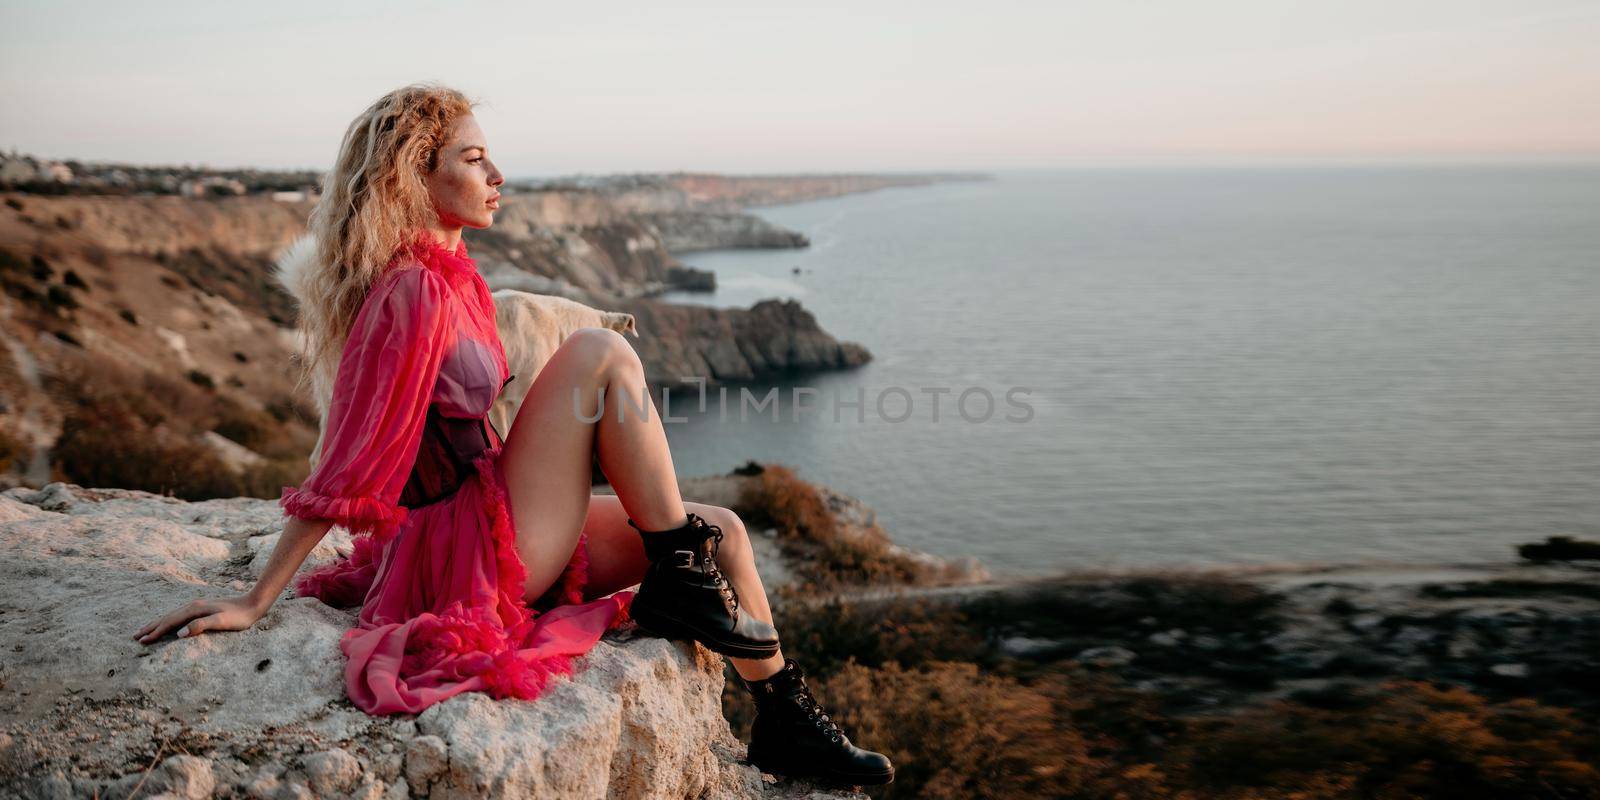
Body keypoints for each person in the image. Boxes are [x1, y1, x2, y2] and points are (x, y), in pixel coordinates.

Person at [130, 83, 893, 787]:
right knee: (602, 354)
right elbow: (346, 460)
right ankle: (679, 577)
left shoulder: (452, 276)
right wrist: (256, 598)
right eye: (473, 158)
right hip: (467, 550)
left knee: (722, 531)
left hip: (498, 514)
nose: (498, 174)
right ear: (413, 177)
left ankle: (786, 720)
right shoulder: (411, 293)